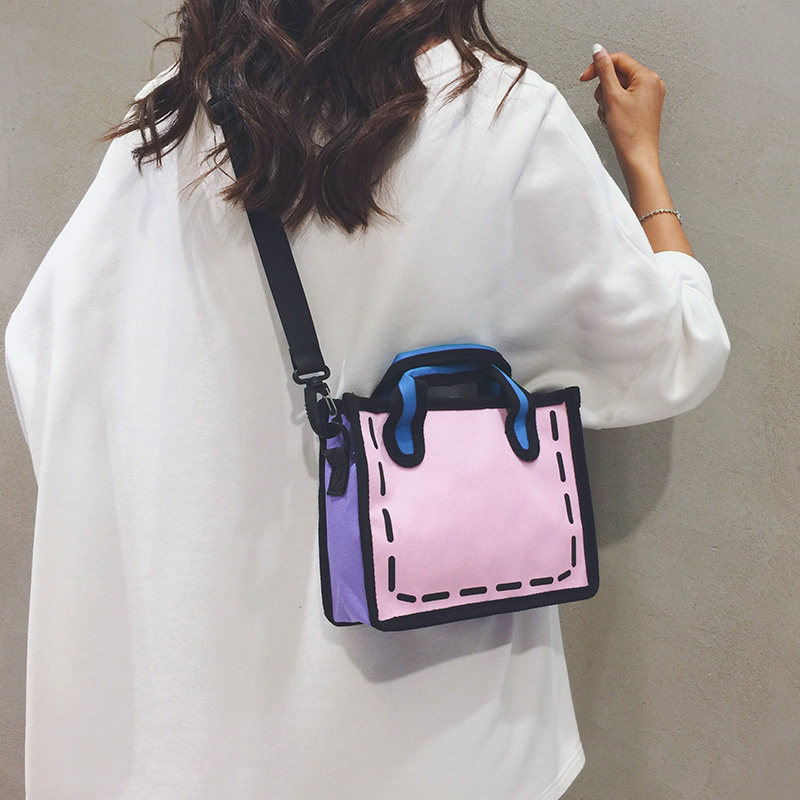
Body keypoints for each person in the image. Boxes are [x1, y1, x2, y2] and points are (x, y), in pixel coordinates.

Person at [4, 3, 729, 798]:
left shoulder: (173, 116)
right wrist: (643, 163)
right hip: (432, 725)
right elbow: (671, 353)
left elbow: (48, 361)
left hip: (195, 718)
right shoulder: (500, 114)